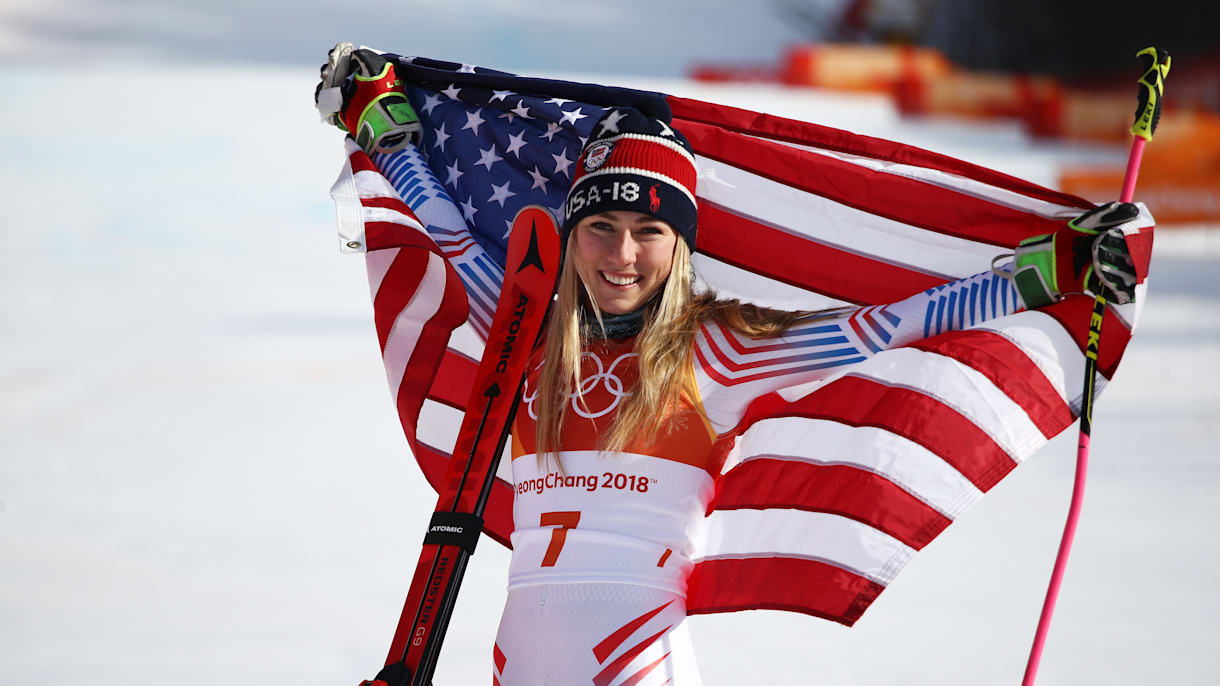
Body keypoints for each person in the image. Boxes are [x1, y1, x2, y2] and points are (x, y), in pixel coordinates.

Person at [487, 106, 1142, 685]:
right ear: (571, 233)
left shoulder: (714, 349)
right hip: (514, 657)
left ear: (680, 243)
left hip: (633, 657)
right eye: (600, 223)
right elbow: (448, 240)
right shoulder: (525, 337)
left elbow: (883, 327)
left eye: (649, 229)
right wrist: (385, 130)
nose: (622, 252)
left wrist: (1051, 270)